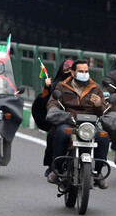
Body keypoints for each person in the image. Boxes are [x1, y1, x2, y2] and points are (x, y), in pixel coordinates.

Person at [46, 59, 110, 189]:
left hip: (89, 125)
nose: (84, 74)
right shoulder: (62, 86)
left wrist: (99, 105)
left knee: (103, 136)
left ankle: (98, 172)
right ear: (73, 72)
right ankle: (56, 169)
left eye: (86, 71)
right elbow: (53, 102)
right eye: (81, 71)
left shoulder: (96, 88)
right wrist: (54, 111)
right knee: (61, 132)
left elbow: (103, 110)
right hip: (70, 122)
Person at [39, 59, 73, 176]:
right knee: (53, 134)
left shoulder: (87, 86)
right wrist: (47, 88)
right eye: (66, 70)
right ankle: (53, 165)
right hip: (61, 119)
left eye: (71, 70)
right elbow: (46, 101)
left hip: (79, 119)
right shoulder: (58, 86)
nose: (69, 73)